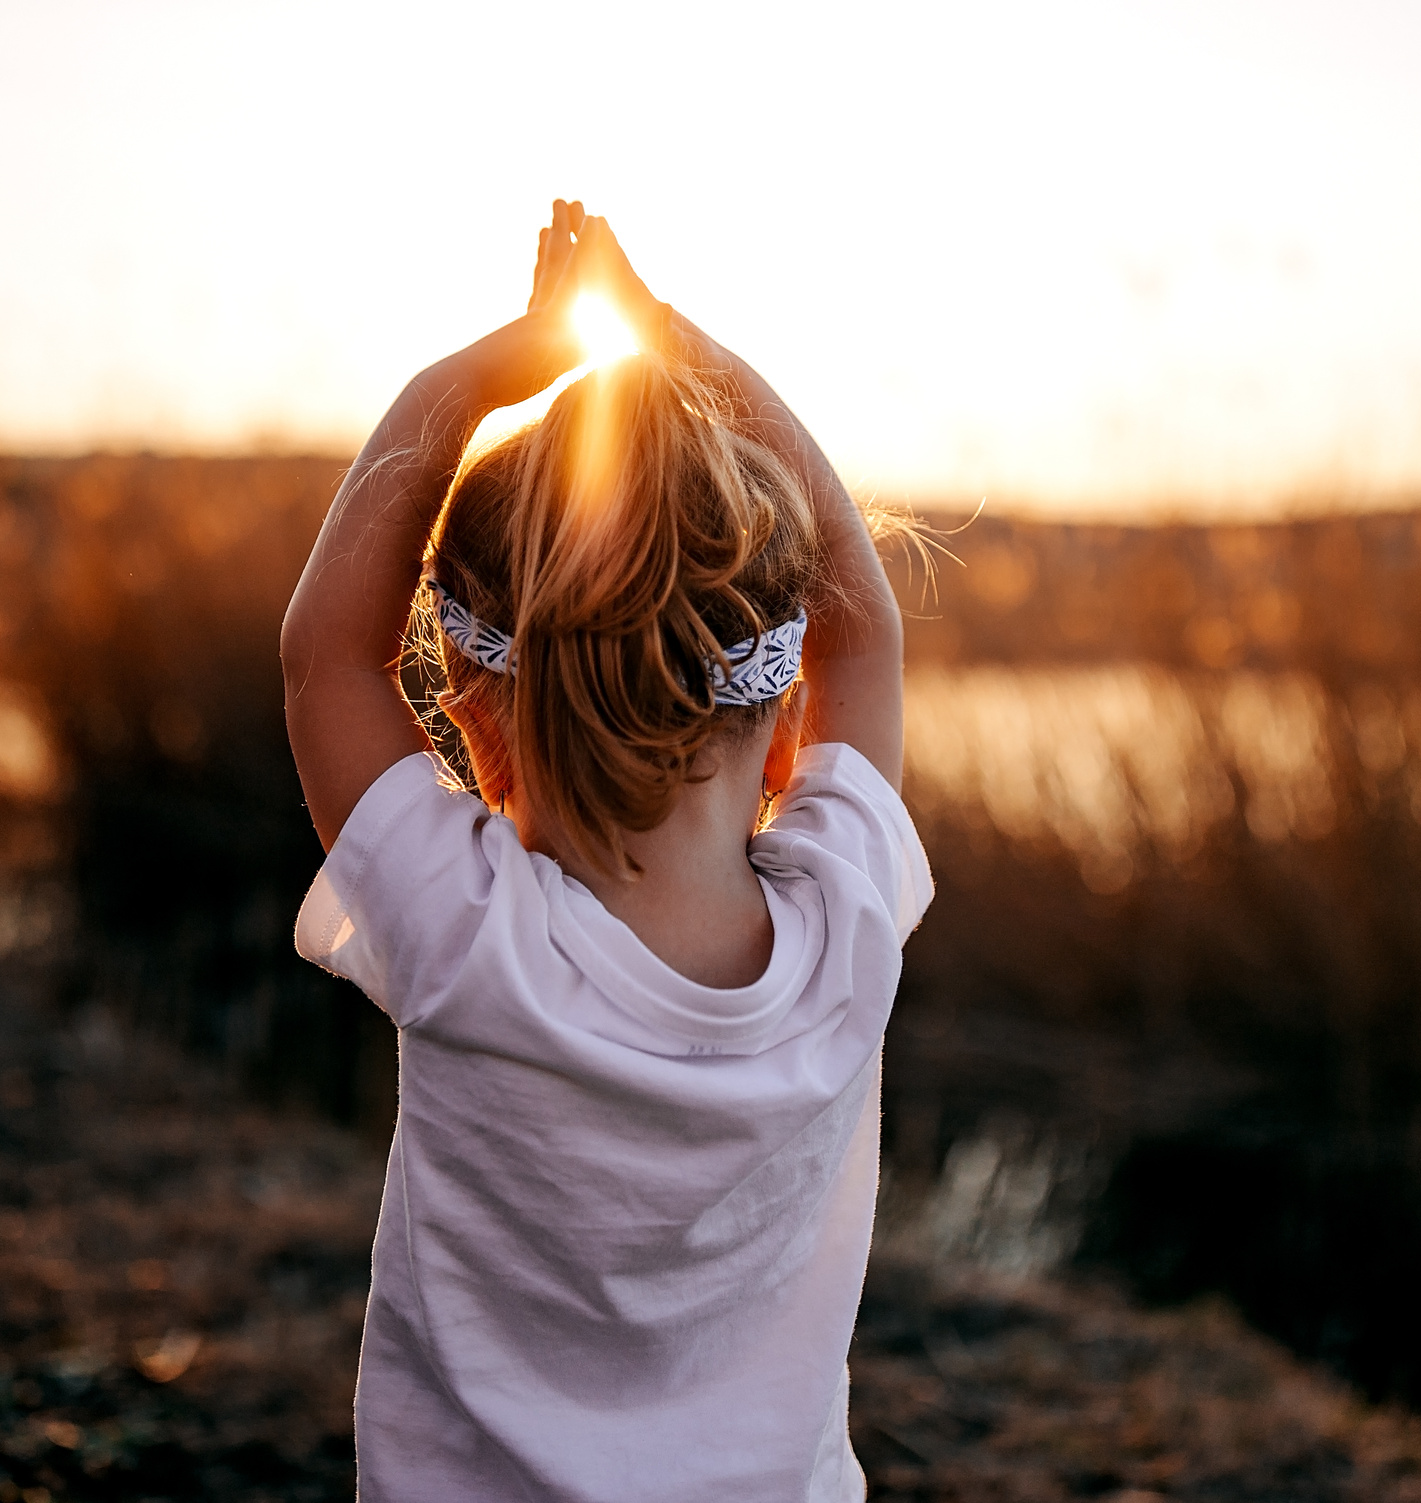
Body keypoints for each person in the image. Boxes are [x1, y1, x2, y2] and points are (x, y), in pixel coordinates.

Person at [279, 200, 929, 1501]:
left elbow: (325, 656)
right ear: (782, 706)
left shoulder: (466, 933)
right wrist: (691, 356)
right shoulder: (849, 924)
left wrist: (468, 381)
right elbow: (865, 636)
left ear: (465, 697)